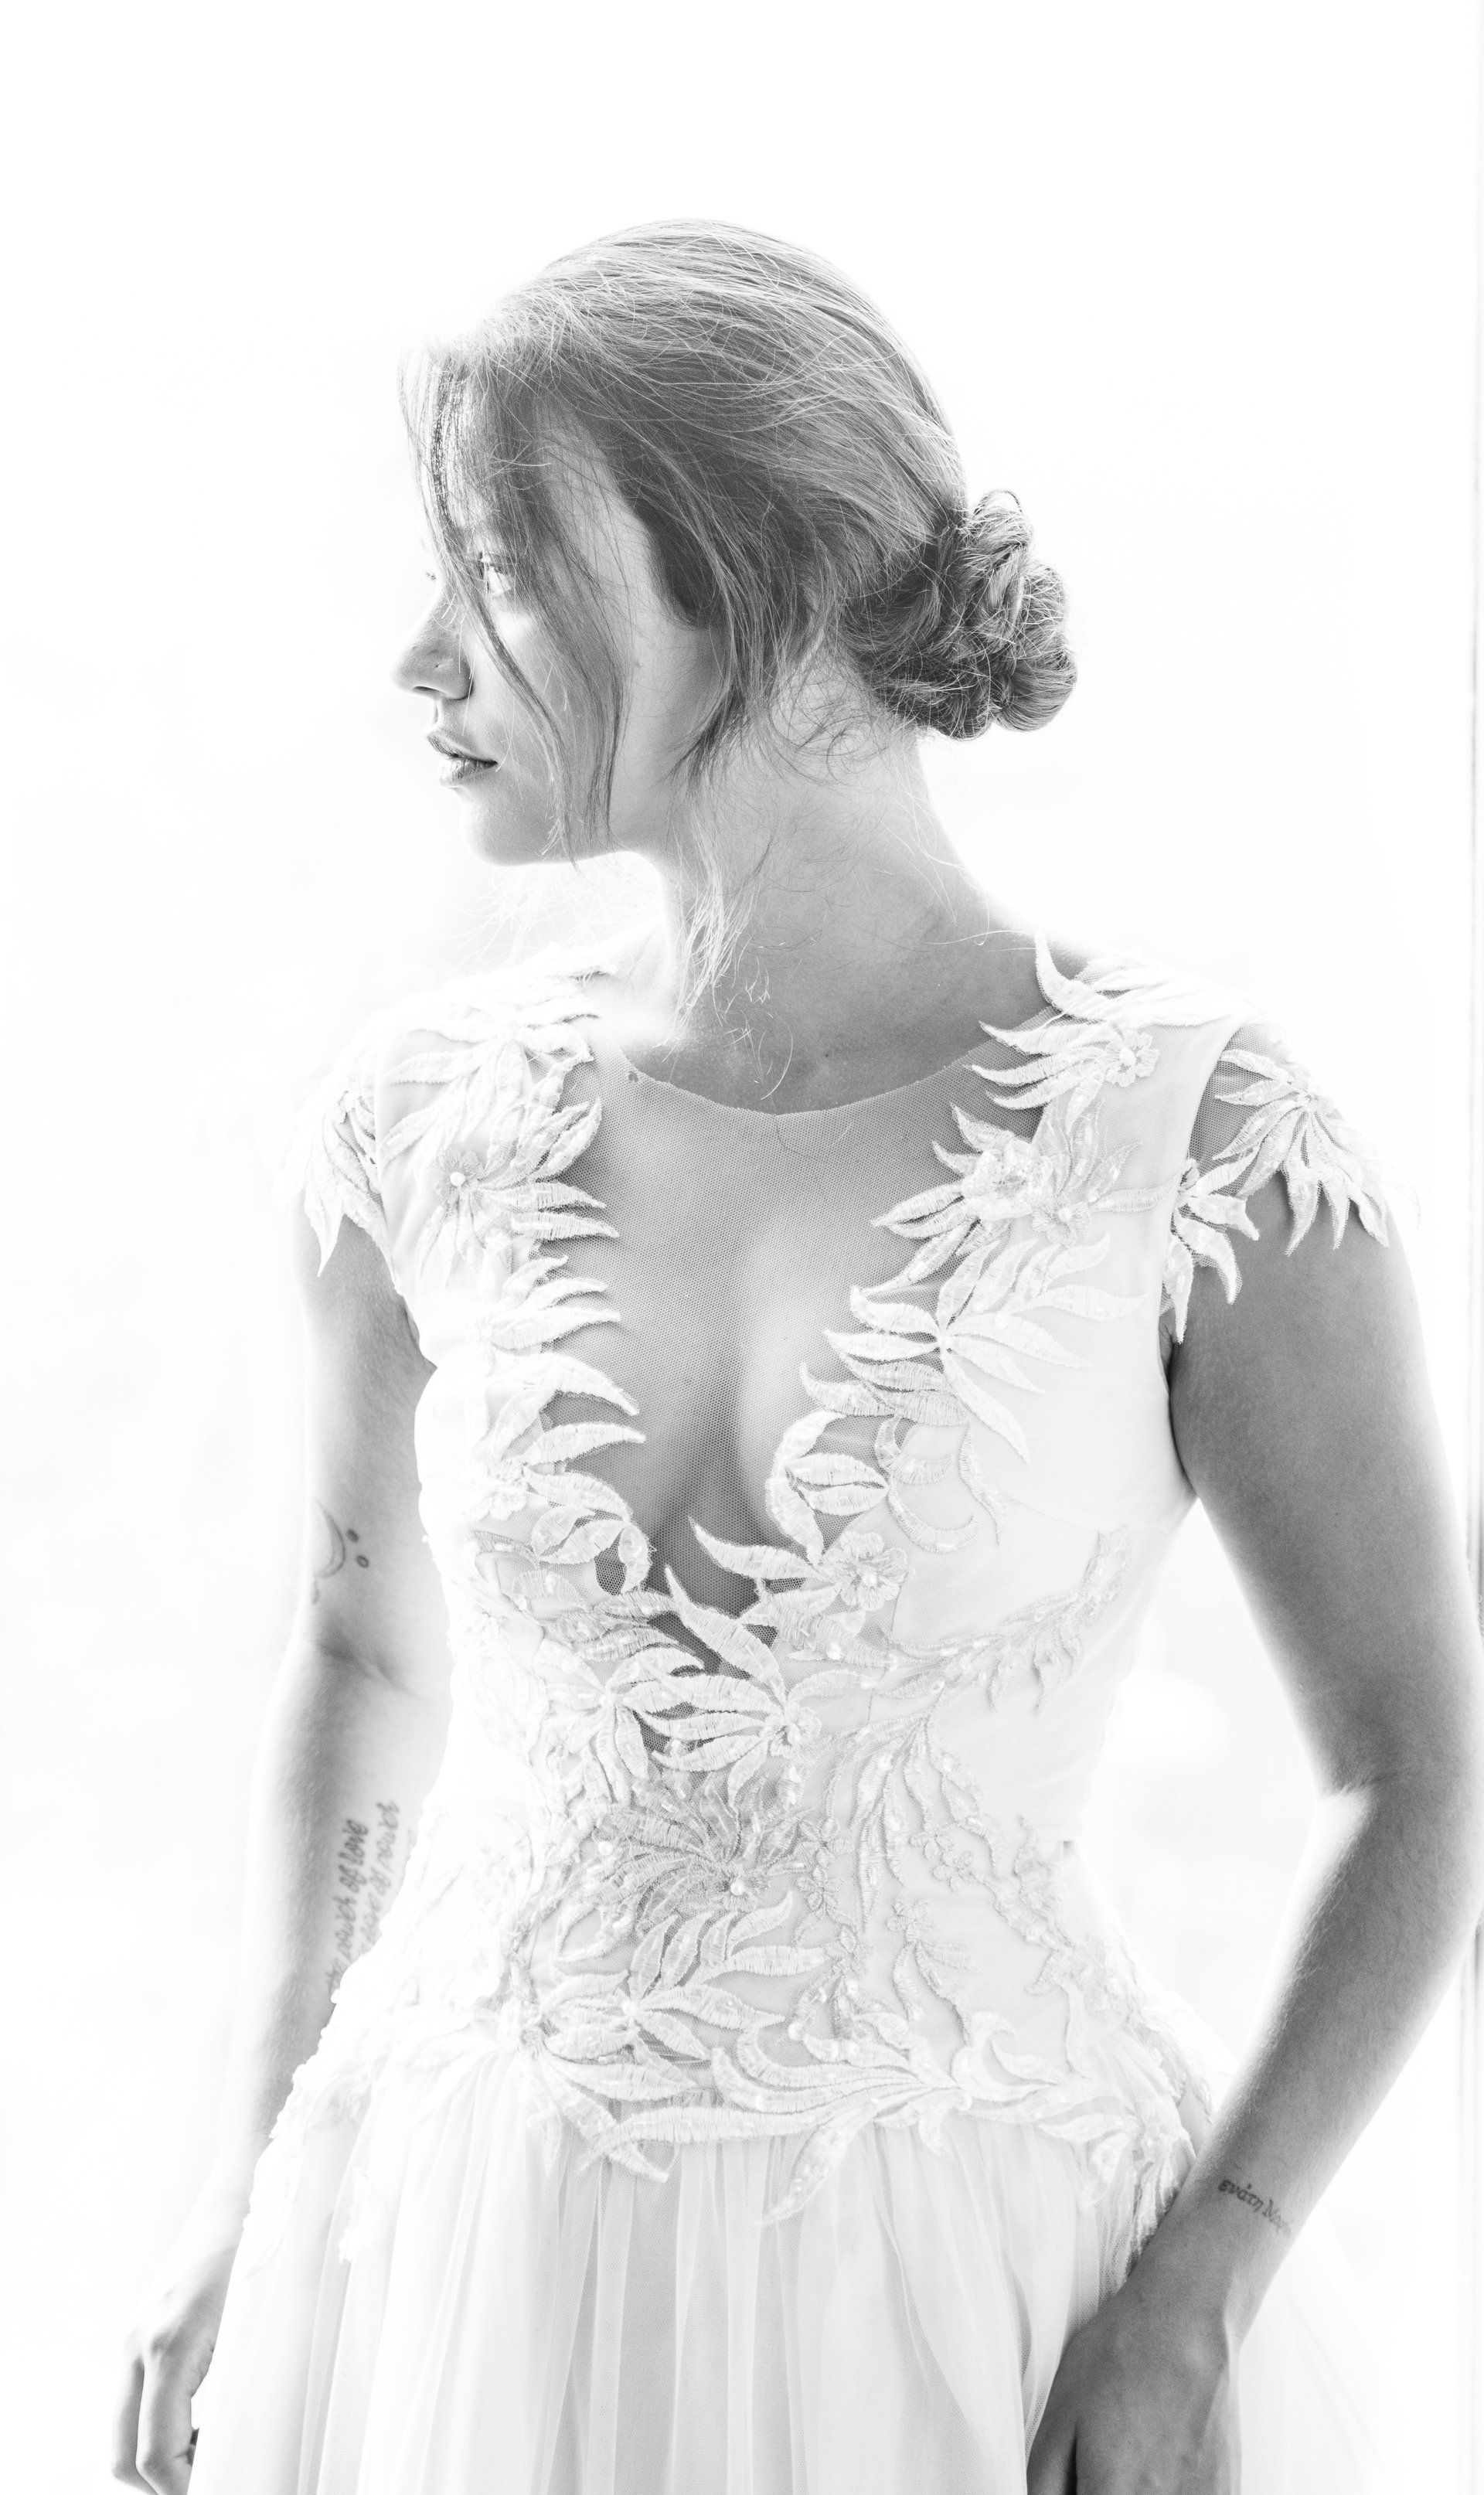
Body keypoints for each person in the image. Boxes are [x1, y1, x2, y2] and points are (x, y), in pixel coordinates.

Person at [113, 220, 1484, 2495]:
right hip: (460, 2260)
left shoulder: (1193, 1140)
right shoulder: (414, 1125)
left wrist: (1209, 2280)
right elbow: (363, 1658)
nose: (424, 653)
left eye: (503, 573)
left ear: (748, 588)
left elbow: (1421, 1768)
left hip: (972, 2297)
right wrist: (246, 2178)